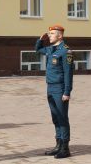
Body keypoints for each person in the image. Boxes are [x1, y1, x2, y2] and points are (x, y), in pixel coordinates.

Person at [35, 25, 74, 159]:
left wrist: (67, 92)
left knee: (62, 117)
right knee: (55, 117)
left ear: (60, 36)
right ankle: (58, 145)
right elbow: (38, 49)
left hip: (60, 89)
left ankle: (65, 148)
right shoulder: (51, 49)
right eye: (49, 33)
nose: (49, 35)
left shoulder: (65, 51)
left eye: (52, 33)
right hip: (50, 87)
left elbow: (68, 74)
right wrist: (40, 39)